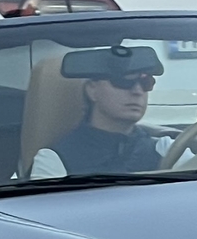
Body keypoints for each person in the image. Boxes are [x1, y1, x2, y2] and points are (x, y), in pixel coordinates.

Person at [29, 46, 171, 179]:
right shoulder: (55, 160)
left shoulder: (164, 148)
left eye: (146, 83)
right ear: (92, 90)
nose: (138, 91)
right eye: (123, 82)